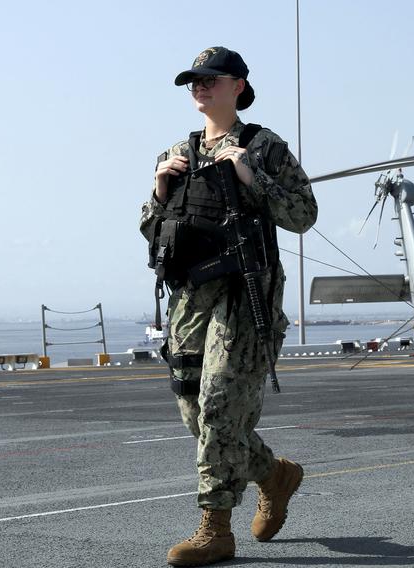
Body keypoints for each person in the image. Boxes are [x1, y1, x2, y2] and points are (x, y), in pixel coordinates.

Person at [139, 46, 318, 567]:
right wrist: (159, 188)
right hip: (191, 299)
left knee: (219, 407)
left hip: (244, 297)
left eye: (211, 79)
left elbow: (303, 215)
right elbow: (153, 231)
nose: (199, 86)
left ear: (238, 85)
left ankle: (215, 528)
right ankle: (275, 475)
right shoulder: (178, 150)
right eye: (193, 80)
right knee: (196, 413)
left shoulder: (264, 147)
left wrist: (250, 178)